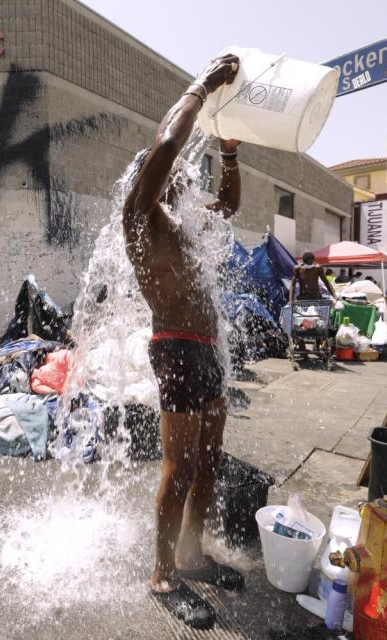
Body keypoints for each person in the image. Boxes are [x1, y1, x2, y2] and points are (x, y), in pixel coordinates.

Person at [122, 53, 243, 630]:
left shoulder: (184, 225)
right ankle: (163, 573)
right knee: (179, 463)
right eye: (171, 173)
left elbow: (231, 206)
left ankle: (194, 555)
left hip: (206, 348)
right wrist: (204, 85)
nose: (180, 179)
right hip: (174, 347)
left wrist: (232, 151)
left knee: (211, 459)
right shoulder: (140, 216)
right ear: (153, 174)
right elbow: (169, 143)